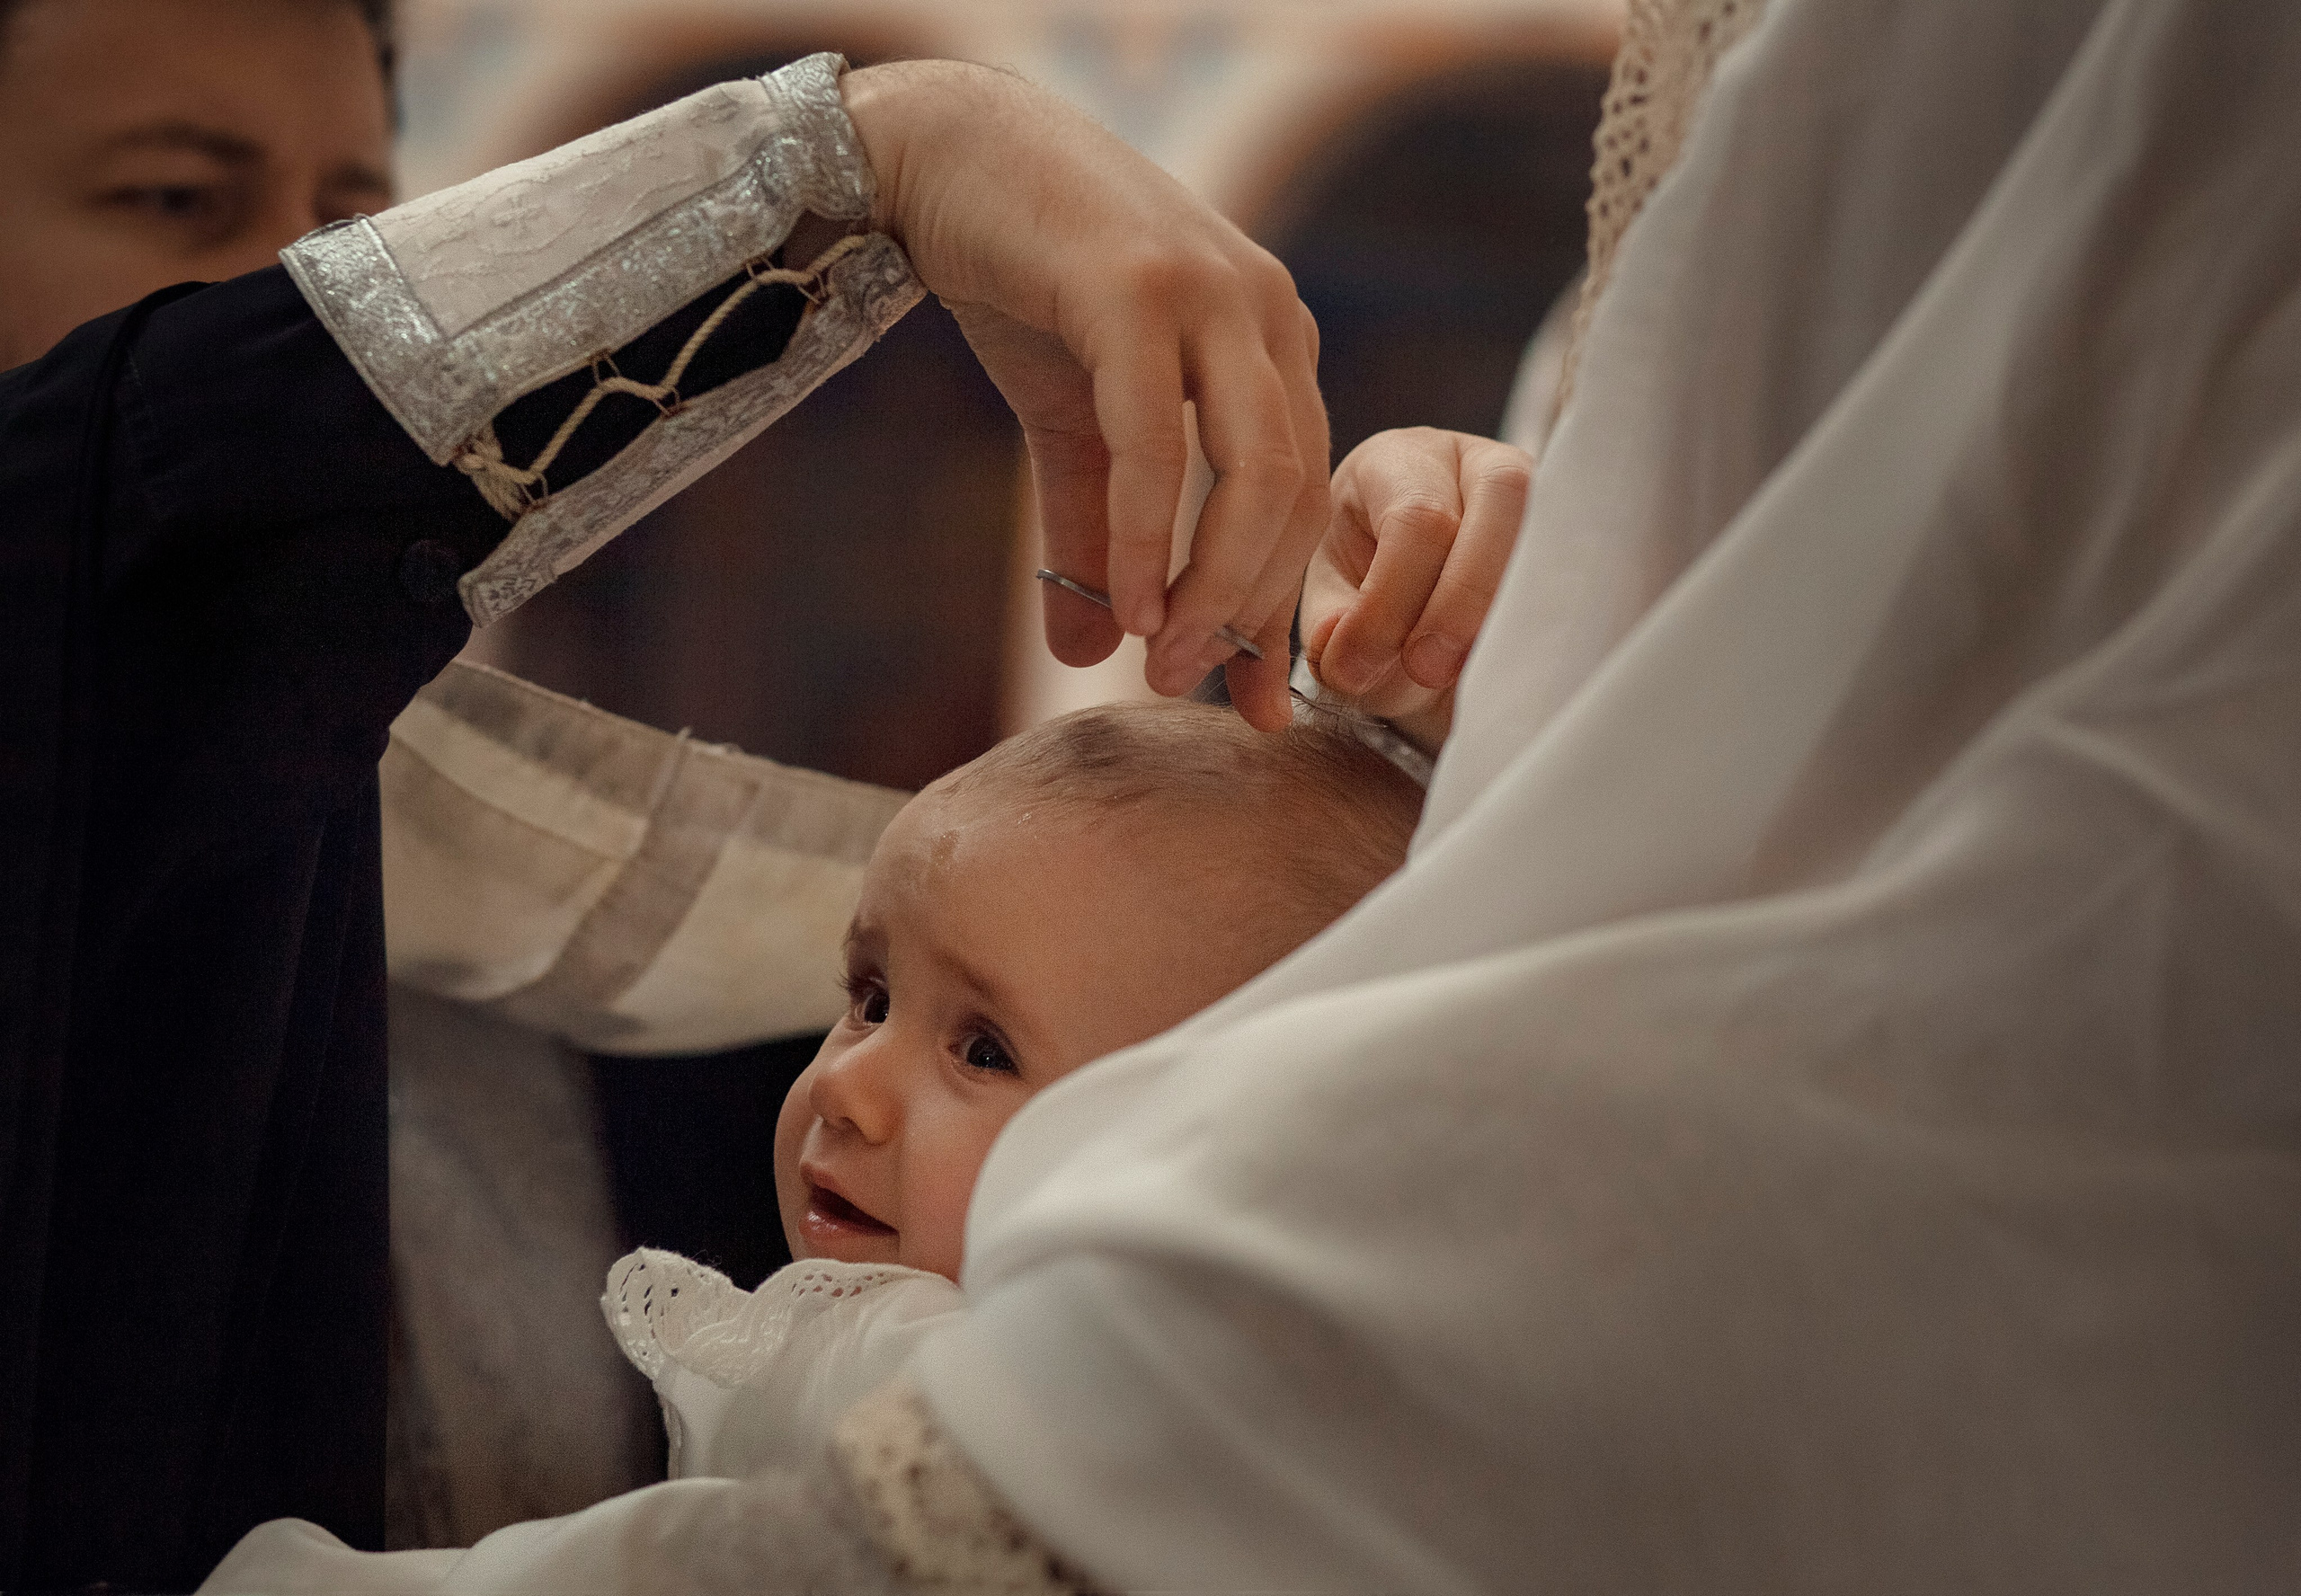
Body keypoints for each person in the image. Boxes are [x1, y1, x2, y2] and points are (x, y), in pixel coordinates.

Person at [0, 44, 1335, 1592]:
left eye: (360, 214)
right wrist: (864, 160)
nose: (315, 280)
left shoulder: (622, 958)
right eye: (176, 197)